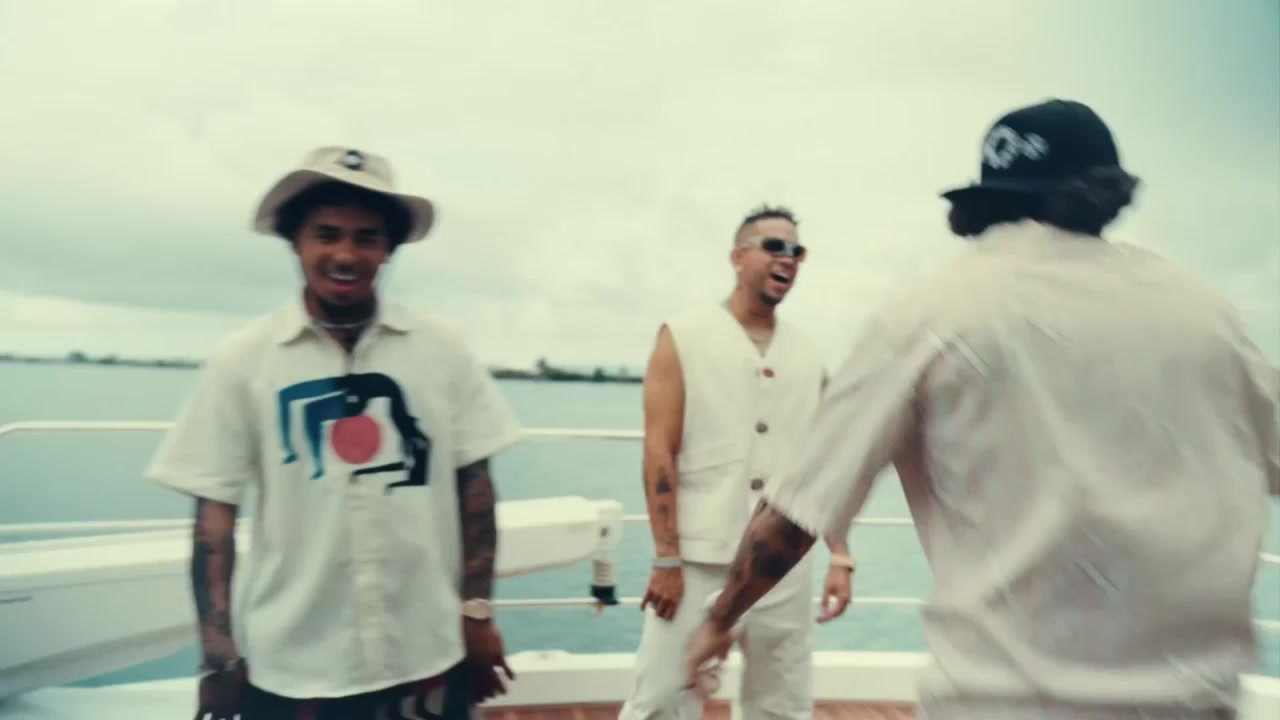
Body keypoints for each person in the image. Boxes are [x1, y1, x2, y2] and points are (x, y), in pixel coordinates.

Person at [684, 99, 1280, 719]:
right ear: (1108, 194)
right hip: (1196, 704)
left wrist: (719, 621)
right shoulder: (1205, 314)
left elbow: (793, 516)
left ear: (981, 201)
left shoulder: (933, 313)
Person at [146, 146, 525, 720]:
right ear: (295, 241)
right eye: (326, 234)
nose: (345, 254)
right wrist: (218, 656)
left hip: (425, 650)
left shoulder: (441, 349)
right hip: (292, 664)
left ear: (389, 249)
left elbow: (475, 489)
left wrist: (477, 613)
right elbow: (214, 519)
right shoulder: (243, 360)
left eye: (367, 238)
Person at [618, 205, 857, 720]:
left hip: (782, 570)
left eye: (797, 251)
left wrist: (840, 555)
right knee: (660, 702)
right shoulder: (682, 336)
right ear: (738, 256)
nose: (787, 258)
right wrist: (665, 559)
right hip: (696, 562)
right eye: (774, 246)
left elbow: (824, 466)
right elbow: (659, 451)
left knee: (782, 709)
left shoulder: (808, 353)